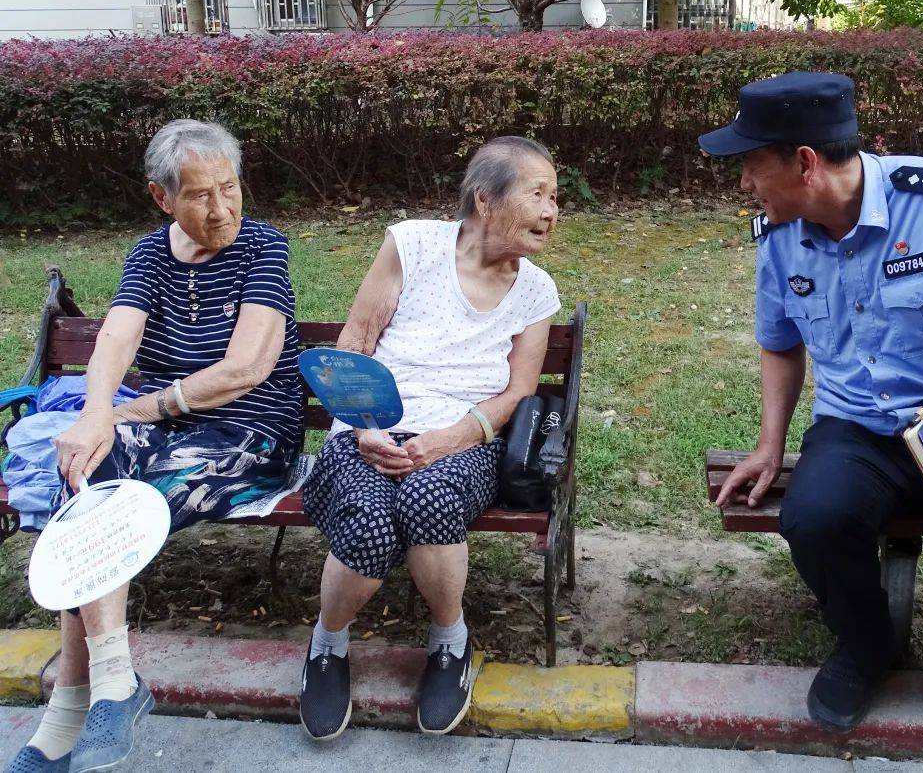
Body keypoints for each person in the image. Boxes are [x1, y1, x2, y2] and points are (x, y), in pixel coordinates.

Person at [704, 72, 923, 733]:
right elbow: (780, 342)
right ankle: (869, 644)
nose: (746, 183)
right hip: (856, 428)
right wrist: (769, 444)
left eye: (754, 165)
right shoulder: (780, 233)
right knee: (813, 520)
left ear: (806, 163)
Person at [6, 119, 303, 773]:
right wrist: (93, 417)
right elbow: (115, 339)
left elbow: (246, 368)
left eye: (230, 188)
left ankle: (70, 708)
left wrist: (135, 408)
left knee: (116, 500)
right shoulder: (148, 256)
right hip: (168, 431)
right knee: (85, 470)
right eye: (200, 195)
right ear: (162, 197)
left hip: (249, 434)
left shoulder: (263, 248)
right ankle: (112, 686)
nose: (221, 207)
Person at [298, 137, 561, 740]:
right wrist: (364, 429)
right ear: (486, 200)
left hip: (465, 440)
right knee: (368, 517)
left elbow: (519, 392)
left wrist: (452, 438)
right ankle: (327, 646)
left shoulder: (535, 290)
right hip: (370, 429)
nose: (552, 211)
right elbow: (355, 345)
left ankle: (450, 642)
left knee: (429, 498)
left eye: (556, 197)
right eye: (538, 193)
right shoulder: (412, 244)